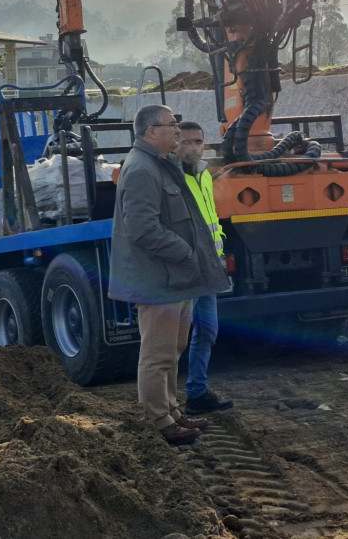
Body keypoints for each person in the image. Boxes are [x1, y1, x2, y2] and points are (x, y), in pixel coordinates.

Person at [109, 105, 230, 446]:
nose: (177, 131)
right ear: (151, 131)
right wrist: (186, 252)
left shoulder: (161, 164)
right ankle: (158, 421)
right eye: (171, 125)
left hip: (176, 277)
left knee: (173, 347)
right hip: (158, 279)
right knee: (157, 352)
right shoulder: (142, 170)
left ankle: (172, 411)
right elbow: (143, 229)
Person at [175, 122, 235, 416]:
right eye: (186, 142)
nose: (193, 148)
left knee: (208, 331)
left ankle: (196, 393)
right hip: (183, 270)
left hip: (209, 270)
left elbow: (213, 222)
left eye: (198, 142)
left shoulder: (205, 176)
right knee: (171, 341)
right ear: (175, 144)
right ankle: (164, 405)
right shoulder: (170, 179)